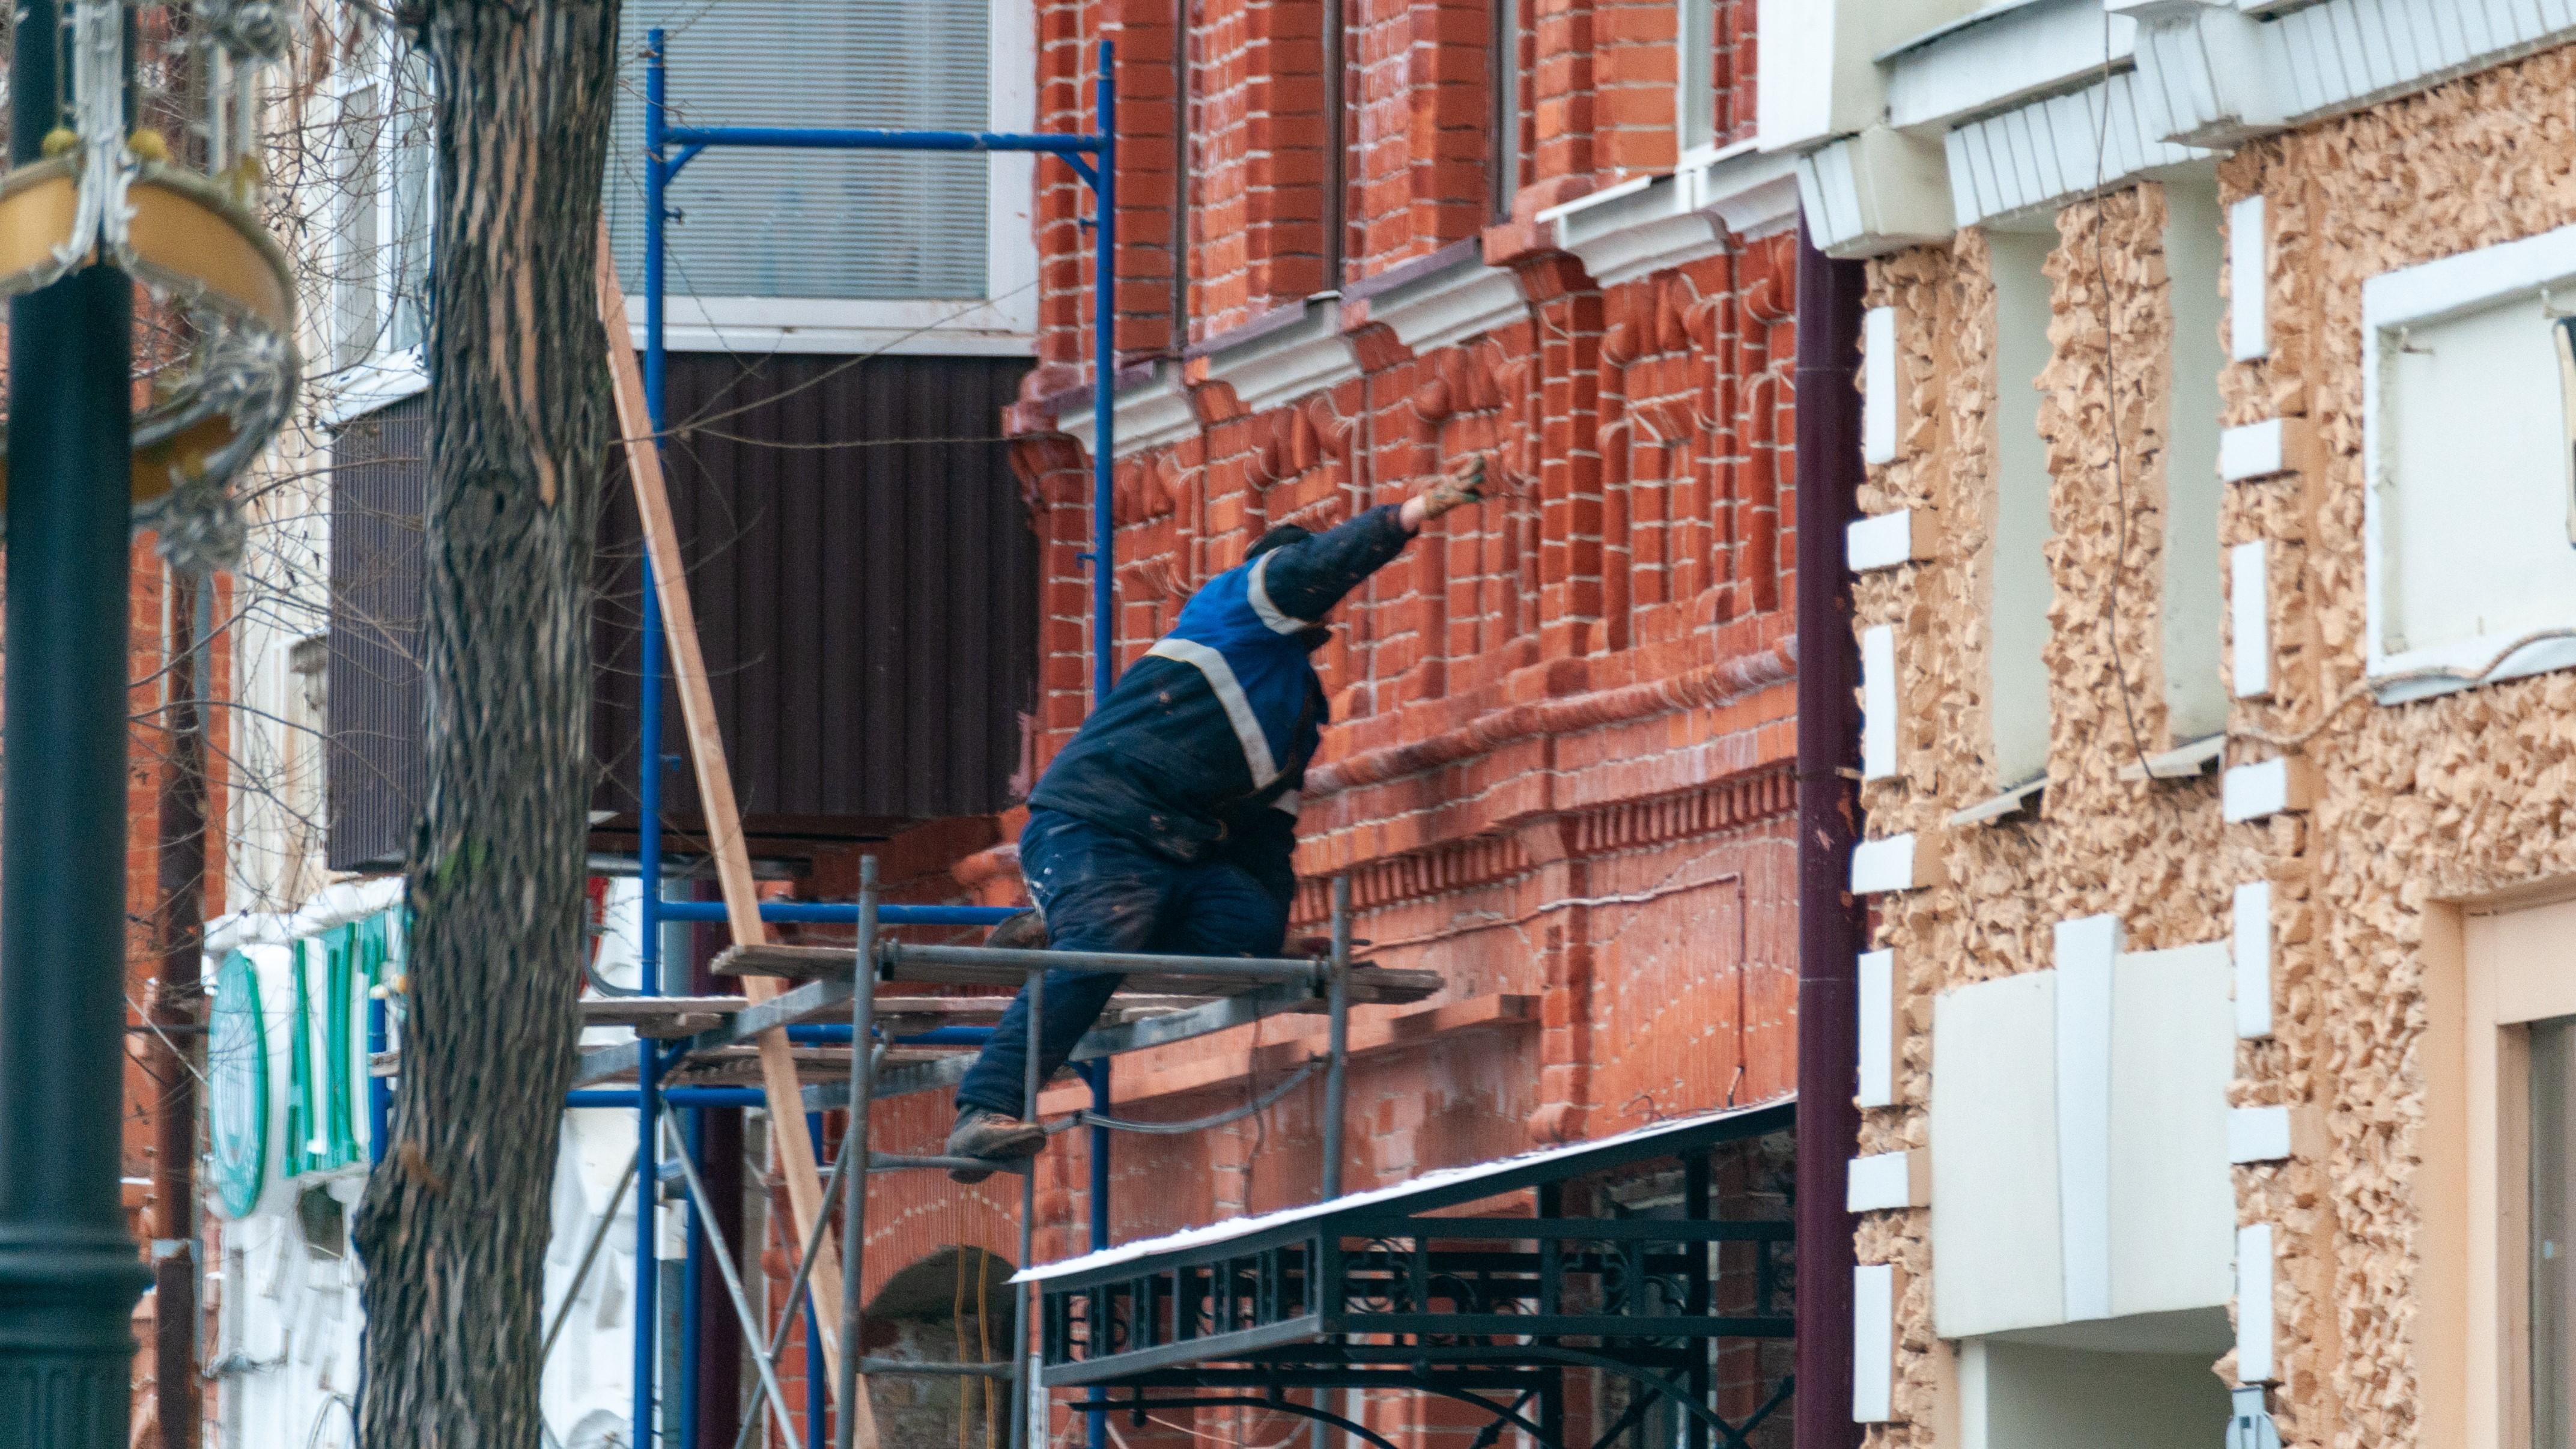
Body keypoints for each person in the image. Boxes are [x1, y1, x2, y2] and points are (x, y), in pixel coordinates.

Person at [944, 455, 1496, 1179]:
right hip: (1097, 823)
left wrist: (1269, 934)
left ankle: (1061, 920)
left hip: (1172, 854)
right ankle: (984, 1112)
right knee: (1101, 941)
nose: (1314, 591)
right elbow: (1310, 571)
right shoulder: (1232, 604)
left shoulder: (1295, 704)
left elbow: (1269, 833)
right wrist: (1407, 516)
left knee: (1243, 937)